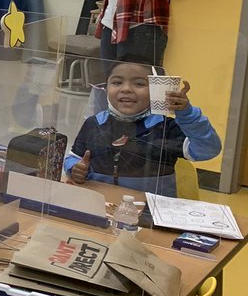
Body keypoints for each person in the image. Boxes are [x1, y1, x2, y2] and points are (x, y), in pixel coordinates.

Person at [65, 59, 221, 196]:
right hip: (100, 204)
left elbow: (208, 150)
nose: (126, 89)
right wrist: (75, 169)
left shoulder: (165, 127)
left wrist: (187, 115)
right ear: (106, 87)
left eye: (139, 84)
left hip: (150, 213)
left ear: (155, 90)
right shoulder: (94, 124)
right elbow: (74, 157)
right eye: (117, 82)